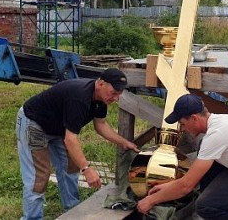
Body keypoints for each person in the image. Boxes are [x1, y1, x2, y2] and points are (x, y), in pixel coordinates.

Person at [15, 68, 140, 220]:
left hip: (59, 128)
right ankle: (32, 218)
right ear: (101, 83)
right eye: (114, 93)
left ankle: (72, 212)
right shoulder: (80, 97)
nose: (115, 98)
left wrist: (123, 142)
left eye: (118, 95)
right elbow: (70, 139)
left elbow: (100, 125)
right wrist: (87, 169)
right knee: (38, 177)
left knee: (70, 167)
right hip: (35, 124)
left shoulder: (101, 100)